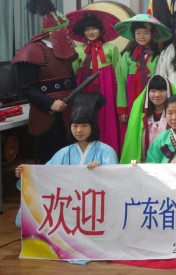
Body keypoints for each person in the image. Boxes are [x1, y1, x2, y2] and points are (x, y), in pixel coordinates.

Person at [15, 92, 118, 236]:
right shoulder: (64, 153)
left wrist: (102, 170)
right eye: (75, 126)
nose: (79, 130)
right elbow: (45, 176)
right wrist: (26, 175)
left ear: (93, 126)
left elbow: (116, 181)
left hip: (96, 207)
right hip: (69, 206)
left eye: (84, 125)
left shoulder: (106, 151)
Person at [12, 0, 77, 163]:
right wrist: (50, 103)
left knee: (69, 159)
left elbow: (71, 81)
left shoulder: (64, 52)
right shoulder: (32, 51)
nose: (67, 34)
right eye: (64, 30)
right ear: (53, 32)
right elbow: (25, 87)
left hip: (67, 113)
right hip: (45, 115)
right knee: (49, 159)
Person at [68, 9, 121, 154]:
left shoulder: (111, 48)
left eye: (94, 28)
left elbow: (118, 72)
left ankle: (109, 151)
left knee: (107, 115)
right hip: (85, 88)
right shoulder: (78, 50)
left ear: (101, 30)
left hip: (107, 88)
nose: (90, 32)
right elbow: (74, 72)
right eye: (87, 29)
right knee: (87, 117)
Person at [115, 14, 172, 141]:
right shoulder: (127, 56)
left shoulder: (158, 56)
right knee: (133, 130)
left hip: (152, 99)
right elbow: (121, 82)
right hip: (131, 98)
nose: (142, 36)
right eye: (138, 33)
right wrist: (122, 109)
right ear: (133, 34)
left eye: (146, 33)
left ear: (152, 35)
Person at [119, 75, 176, 164]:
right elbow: (132, 141)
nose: (157, 95)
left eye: (161, 90)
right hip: (144, 164)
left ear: (168, 92)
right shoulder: (140, 116)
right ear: (147, 92)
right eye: (153, 91)